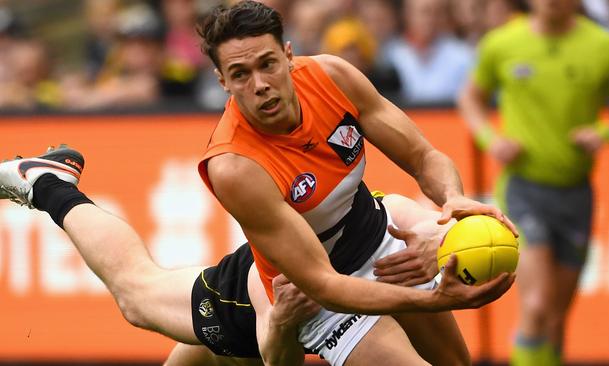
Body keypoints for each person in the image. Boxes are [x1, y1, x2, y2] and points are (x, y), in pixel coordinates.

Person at [196, 1, 516, 365]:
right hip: (318, 294)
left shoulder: (331, 77)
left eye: (267, 64)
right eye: (240, 74)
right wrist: (435, 300)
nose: (260, 85)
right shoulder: (235, 166)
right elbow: (324, 285)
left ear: (288, 55)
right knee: (141, 296)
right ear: (222, 81)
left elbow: (424, 156)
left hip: (377, 242)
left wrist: (453, 197)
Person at [0, 146, 459, 366]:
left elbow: (480, 235)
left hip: (326, 297)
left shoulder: (394, 216)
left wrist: (443, 246)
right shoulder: (279, 276)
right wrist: (281, 323)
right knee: (137, 294)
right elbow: (277, 359)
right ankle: (48, 185)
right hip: (245, 317)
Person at [457, 0, 609, 364]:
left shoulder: (604, 47)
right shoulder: (502, 43)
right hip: (524, 189)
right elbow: (470, 98)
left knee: (557, 315)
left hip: (576, 192)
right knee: (537, 302)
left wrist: (605, 131)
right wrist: (491, 140)